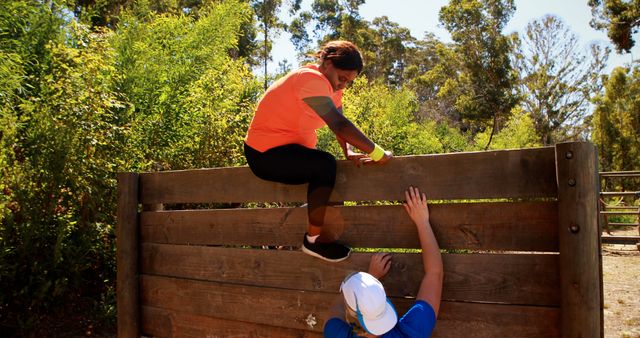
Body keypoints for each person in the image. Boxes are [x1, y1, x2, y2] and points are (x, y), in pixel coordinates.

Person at [244, 40, 392, 263]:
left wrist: (348, 151)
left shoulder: (332, 88)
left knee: (325, 167)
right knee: (324, 165)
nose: (343, 86)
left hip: (288, 151)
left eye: (348, 82)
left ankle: (314, 220)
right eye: (342, 78)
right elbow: (339, 125)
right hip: (264, 154)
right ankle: (312, 242)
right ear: (327, 63)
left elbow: (341, 123)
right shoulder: (310, 79)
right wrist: (378, 153)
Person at [323, 186, 443, 337]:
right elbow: (434, 273)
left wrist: (364, 284)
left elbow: (334, 312)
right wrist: (422, 222)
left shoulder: (335, 333)